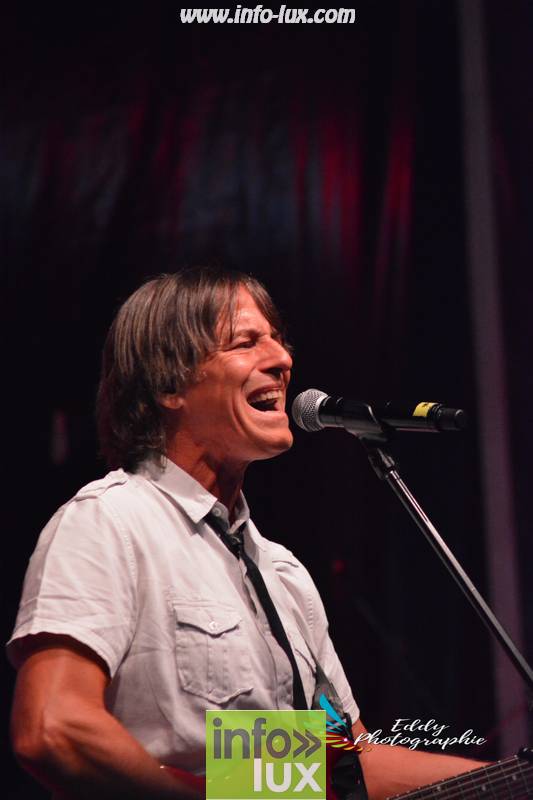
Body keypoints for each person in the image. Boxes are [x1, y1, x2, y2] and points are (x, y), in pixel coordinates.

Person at [9, 268, 487, 799]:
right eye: (245, 342)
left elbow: (338, 770)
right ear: (169, 385)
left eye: (278, 340)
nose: (282, 359)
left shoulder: (281, 573)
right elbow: (53, 728)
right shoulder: (111, 522)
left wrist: (506, 779)